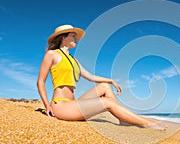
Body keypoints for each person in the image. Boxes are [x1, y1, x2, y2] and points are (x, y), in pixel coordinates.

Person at [37, 24, 166, 130]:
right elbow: (41, 82)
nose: (76, 39)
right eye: (73, 36)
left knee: (104, 86)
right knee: (107, 102)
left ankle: (123, 119)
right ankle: (146, 123)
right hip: (60, 106)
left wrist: (111, 81)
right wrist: (47, 105)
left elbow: (91, 77)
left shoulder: (73, 60)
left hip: (73, 104)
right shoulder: (52, 54)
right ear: (63, 37)